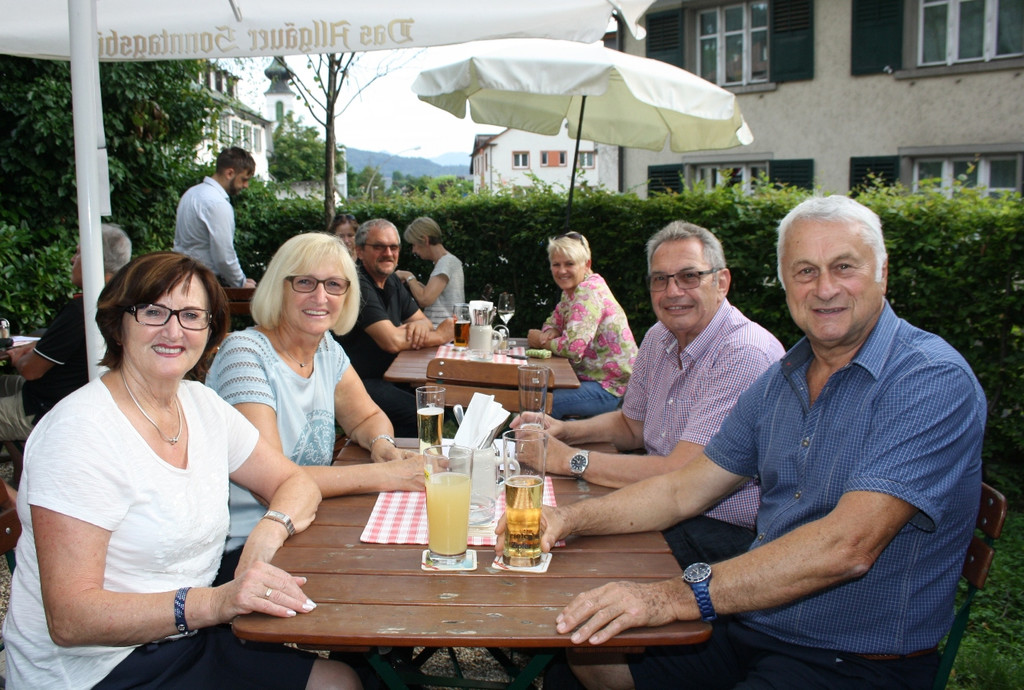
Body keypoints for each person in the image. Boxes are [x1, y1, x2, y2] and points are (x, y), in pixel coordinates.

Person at [508, 196, 986, 690]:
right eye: (804, 271)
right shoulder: (783, 378)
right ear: (784, 283)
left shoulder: (929, 380)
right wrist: (566, 519)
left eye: (844, 267)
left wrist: (666, 597)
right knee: (580, 651)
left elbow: (847, 546)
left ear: (883, 273)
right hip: (755, 625)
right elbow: (681, 490)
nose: (824, 288)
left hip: (855, 658)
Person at [3, 252, 361, 688]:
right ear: (118, 323)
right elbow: (72, 620)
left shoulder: (200, 404)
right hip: (98, 669)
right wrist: (217, 603)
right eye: (154, 311)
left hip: (184, 635)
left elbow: (294, 481)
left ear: (210, 331)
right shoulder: (79, 433)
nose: (174, 330)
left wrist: (268, 532)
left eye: (192, 315)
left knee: (342, 677)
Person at [524, 222, 784, 567]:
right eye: (660, 279)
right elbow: (631, 427)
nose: (672, 291)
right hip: (663, 502)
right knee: (548, 544)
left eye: (689, 276)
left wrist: (571, 460)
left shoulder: (743, 354)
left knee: (578, 562)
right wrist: (563, 430)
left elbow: (681, 475)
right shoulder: (659, 337)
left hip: (726, 534)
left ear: (721, 283)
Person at [206, 232, 424, 580]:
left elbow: (367, 416)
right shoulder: (244, 355)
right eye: (305, 282)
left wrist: (381, 444)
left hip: (308, 524)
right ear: (279, 286)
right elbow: (274, 483)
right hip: (246, 546)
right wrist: (387, 475)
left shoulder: (325, 349)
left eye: (334, 285)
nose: (320, 297)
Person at [0, 223, 131, 443]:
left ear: (93, 260)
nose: (72, 259)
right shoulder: (121, 302)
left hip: (46, 409)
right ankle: (22, 468)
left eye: (78, 253)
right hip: (64, 399)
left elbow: (31, 371)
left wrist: (17, 357)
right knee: (3, 384)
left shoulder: (84, 309)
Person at [338, 219, 455, 438]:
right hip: (356, 381)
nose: (388, 253)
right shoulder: (358, 284)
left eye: (394, 247)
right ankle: (399, 460)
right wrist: (439, 335)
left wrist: (418, 328)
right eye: (379, 247)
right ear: (360, 251)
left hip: (390, 375)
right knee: (420, 414)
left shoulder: (390, 280)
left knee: (439, 403)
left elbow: (423, 322)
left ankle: (421, 457)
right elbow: (391, 341)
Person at [526, 232, 638, 420]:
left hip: (614, 389)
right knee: (534, 391)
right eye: (556, 264)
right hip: (597, 381)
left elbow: (573, 348)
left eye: (569, 264)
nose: (562, 271)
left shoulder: (587, 291)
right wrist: (552, 331)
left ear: (586, 265)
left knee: (537, 402)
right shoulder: (571, 291)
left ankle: (530, 447)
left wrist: (540, 340)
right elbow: (552, 321)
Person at [174, 146, 258, 288]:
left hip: (181, 276)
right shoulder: (217, 203)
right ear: (230, 173)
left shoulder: (191, 193)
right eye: (244, 179)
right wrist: (241, 283)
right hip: (206, 282)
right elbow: (224, 257)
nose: (246, 185)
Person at [394, 216, 465, 325]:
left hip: (443, 331)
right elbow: (438, 297)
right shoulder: (446, 262)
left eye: (414, 245)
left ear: (425, 240)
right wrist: (414, 284)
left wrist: (408, 276)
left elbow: (425, 299)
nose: (414, 250)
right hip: (447, 330)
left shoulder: (446, 263)